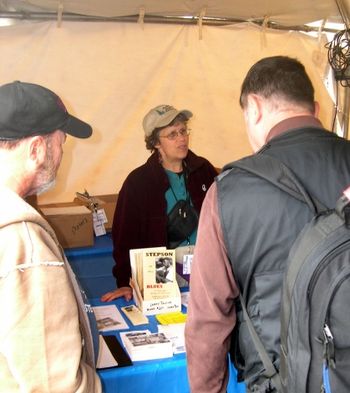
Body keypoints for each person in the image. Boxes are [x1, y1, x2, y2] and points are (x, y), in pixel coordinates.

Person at [185, 56, 350, 393]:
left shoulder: (228, 192)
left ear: (255, 108)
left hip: (281, 381)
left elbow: (208, 321)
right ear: (315, 108)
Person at [0, 81, 101, 392]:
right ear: (36, 149)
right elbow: (55, 384)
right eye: (62, 143)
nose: (61, 155)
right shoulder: (23, 241)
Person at [101, 104, 217, 302]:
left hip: (206, 261)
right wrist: (124, 282)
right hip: (161, 263)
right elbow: (124, 238)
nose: (181, 138)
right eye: (172, 134)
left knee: (210, 320)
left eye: (183, 131)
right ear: (155, 142)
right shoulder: (139, 182)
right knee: (168, 321)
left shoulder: (203, 170)